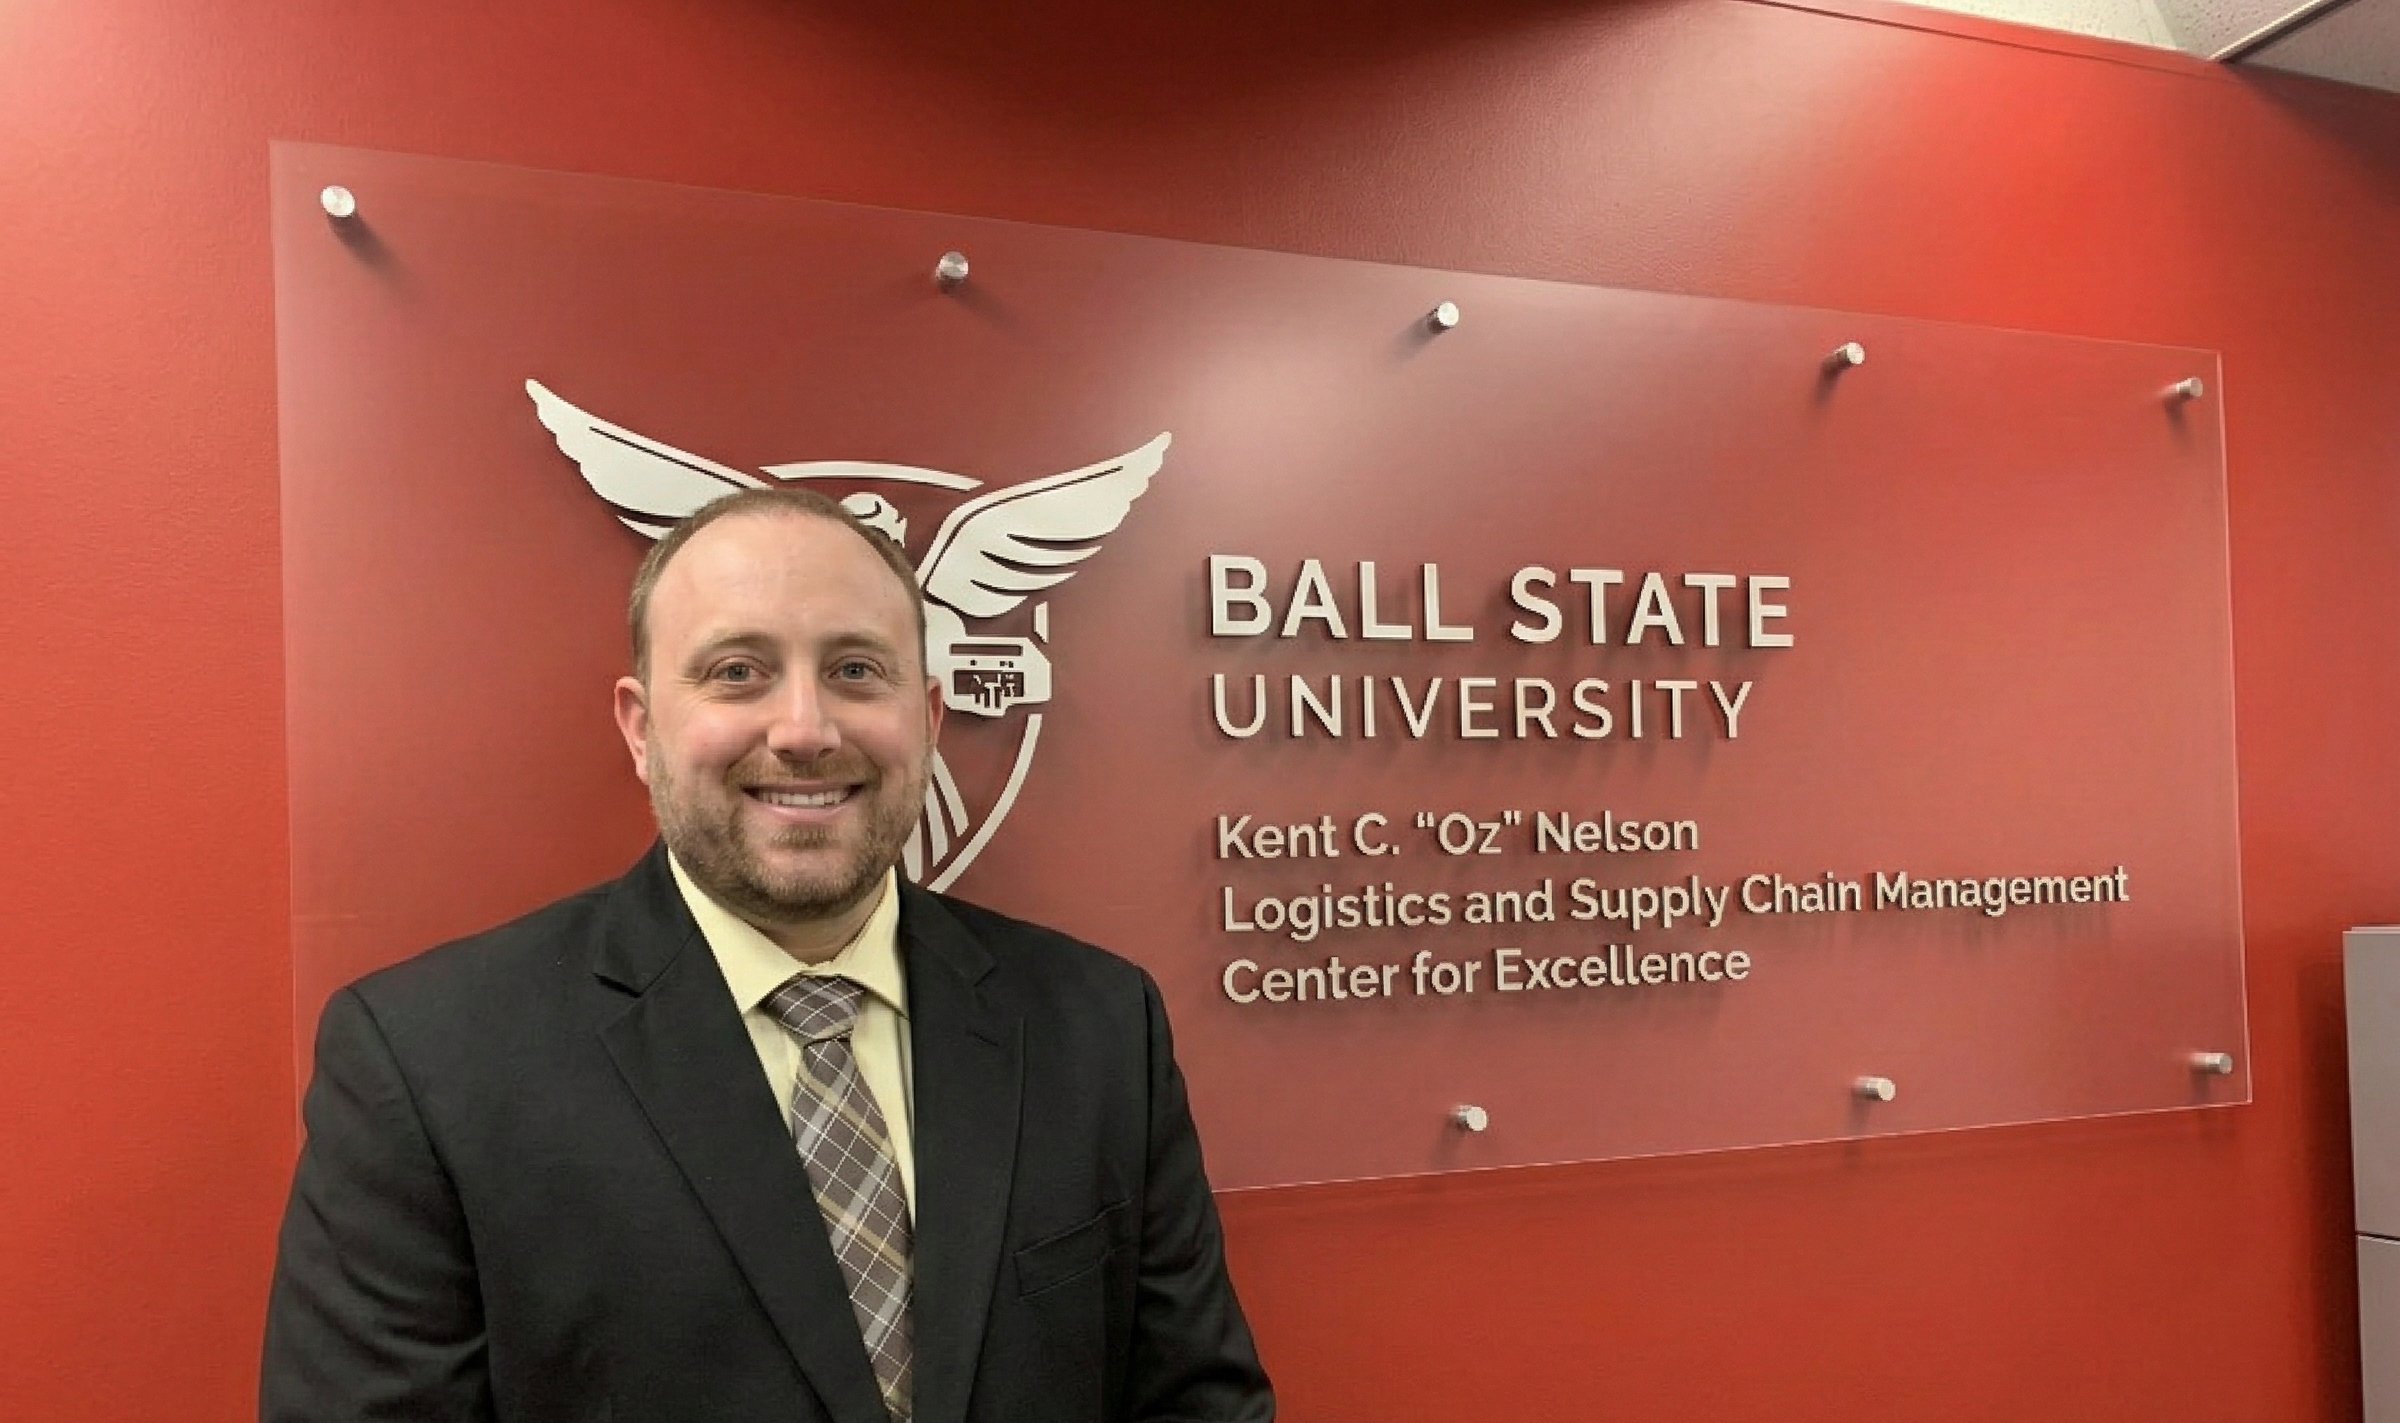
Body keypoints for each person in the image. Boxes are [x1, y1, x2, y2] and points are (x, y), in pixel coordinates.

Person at [261, 488, 1274, 1423]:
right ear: (642, 727)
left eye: (855, 669)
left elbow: (1196, 1403)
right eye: (736, 671)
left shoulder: (1098, 1024)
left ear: (926, 719)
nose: (804, 728)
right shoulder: (429, 1064)